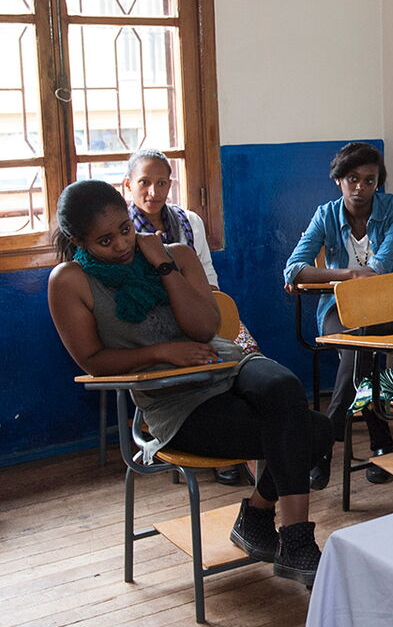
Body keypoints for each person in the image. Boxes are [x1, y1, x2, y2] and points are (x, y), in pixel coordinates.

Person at [47, 180, 331, 585]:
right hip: (176, 403)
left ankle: (294, 539)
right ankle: (256, 518)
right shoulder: (69, 281)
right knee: (314, 431)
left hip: (226, 364)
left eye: (125, 230)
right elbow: (92, 361)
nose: (122, 246)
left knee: (284, 387)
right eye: (105, 241)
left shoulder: (175, 254)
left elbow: (202, 328)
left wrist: (162, 264)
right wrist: (161, 352)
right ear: (79, 242)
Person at [284, 142, 393, 488]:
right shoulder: (325, 215)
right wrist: (347, 275)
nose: (360, 188)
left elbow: (380, 268)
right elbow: (293, 270)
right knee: (360, 341)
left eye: (370, 180)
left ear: (378, 183)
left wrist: (347, 275)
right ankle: (380, 440)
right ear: (338, 180)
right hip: (340, 309)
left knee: (361, 337)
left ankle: (327, 438)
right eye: (352, 179)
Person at [123, 148, 257, 487]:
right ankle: (213, 445)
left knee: (248, 360)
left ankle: (243, 449)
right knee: (199, 371)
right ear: (128, 185)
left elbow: (208, 276)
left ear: (171, 185)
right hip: (156, 327)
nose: (153, 192)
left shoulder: (188, 221)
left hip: (198, 315)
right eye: (144, 183)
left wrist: (206, 310)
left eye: (162, 183)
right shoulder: (122, 235)